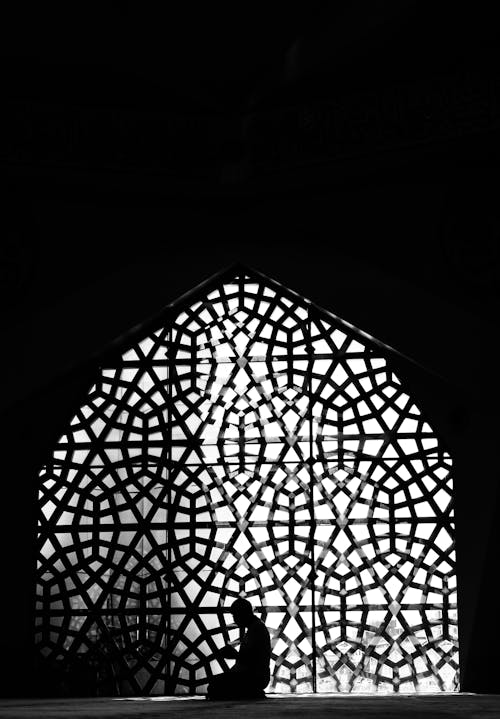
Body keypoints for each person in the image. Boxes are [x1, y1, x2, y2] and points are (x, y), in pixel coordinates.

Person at [206, 597, 271, 700]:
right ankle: (251, 692)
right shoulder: (255, 628)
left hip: (255, 677)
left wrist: (234, 655)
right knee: (215, 684)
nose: (234, 619)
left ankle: (252, 691)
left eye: (235, 615)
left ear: (243, 613)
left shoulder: (256, 629)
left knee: (215, 686)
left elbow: (253, 660)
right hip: (256, 676)